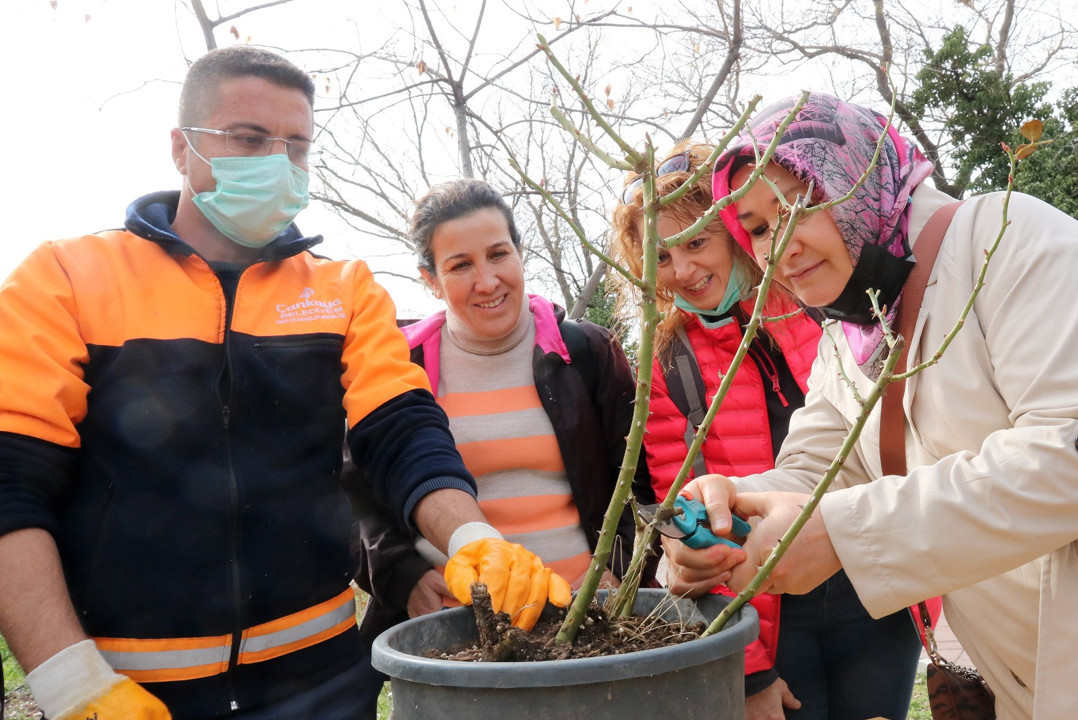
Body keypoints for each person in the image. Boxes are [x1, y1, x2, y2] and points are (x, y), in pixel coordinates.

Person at [665, 92, 1078, 720]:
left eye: (805, 202)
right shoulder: (844, 346)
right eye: (761, 227)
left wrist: (845, 535)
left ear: (862, 178)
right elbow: (818, 471)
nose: (781, 247)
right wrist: (729, 508)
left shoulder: (1007, 239)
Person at [0, 47, 563, 720]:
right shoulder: (65, 279)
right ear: (182, 149)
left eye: (297, 146)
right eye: (249, 138)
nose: (278, 161)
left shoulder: (341, 288)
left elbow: (402, 431)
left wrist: (472, 537)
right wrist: (70, 681)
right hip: (131, 688)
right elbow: (11, 483)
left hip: (321, 684)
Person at [611, 141, 920, 720]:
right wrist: (746, 666)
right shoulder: (666, 360)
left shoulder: (824, 305)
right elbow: (687, 515)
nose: (683, 270)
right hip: (768, 610)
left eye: (697, 241)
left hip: (874, 585)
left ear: (734, 227)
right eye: (662, 255)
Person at [345, 178, 656, 647]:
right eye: (461, 265)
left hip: (587, 618)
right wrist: (402, 575)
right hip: (457, 633)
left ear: (519, 252)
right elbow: (352, 497)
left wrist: (616, 577)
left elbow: (637, 480)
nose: (487, 281)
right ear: (430, 279)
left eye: (498, 254)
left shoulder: (585, 351)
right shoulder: (399, 366)